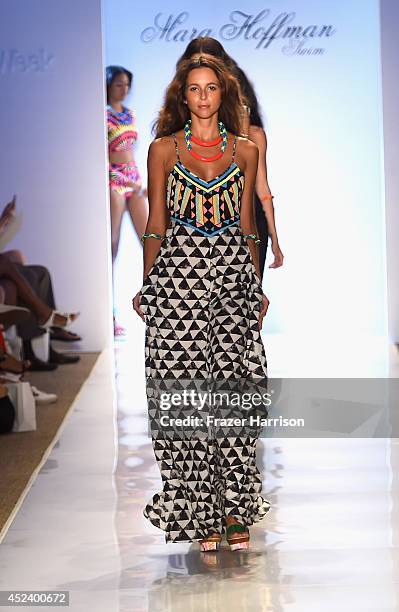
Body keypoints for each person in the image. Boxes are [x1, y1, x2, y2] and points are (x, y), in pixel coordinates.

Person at [132, 55, 271, 552]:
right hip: (178, 282)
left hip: (233, 277)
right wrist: (147, 284)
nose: (204, 96)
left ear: (223, 94)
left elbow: (249, 230)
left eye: (212, 87)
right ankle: (200, 514)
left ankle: (236, 510)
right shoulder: (163, 150)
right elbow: (156, 223)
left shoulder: (246, 150)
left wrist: (255, 289)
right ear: (182, 96)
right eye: (195, 88)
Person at [177, 37, 284, 279]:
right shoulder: (172, 139)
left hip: (245, 226)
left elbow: (262, 187)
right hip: (191, 228)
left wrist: (275, 237)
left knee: (247, 307)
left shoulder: (252, 135)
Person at [106, 65, 149, 337]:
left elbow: (131, 151)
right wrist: (121, 178)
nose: (124, 89)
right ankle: (108, 314)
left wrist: (139, 181)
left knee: (151, 239)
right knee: (112, 246)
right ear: (108, 85)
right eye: (119, 84)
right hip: (113, 180)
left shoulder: (130, 114)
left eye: (126, 84)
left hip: (133, 178)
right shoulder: (102, 115)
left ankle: (157, 307)